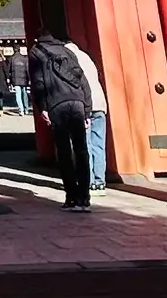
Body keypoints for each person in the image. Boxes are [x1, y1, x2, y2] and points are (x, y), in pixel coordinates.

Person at [28, 30, 92, 211]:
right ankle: (84, 198)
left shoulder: (36, 52)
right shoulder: (68, 51)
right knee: (81, 151)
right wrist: (87, 110)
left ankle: (71, 197)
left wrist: (43, 107)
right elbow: (83, 80)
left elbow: (38, 81)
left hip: (57, 103)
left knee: (64, 152)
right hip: (78, 101)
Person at [65, 38, 109, 191]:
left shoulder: (69, 60)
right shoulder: (87, 57)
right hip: (100, 104)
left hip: (84, 105)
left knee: (84, 145)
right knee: (99, 144)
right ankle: (100, 180)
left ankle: (88, 180)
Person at [9, 44, 31, 118]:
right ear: (19, 50)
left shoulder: (11, 59)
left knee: (18, 95)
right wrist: (29, 79)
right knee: (24, 94)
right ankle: (26, 109)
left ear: (13, 50)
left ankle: (21, 110)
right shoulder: (24, 59)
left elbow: (9, 70)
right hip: (24, 79)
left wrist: (10, 80)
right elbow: (28, 70)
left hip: (15, 79)